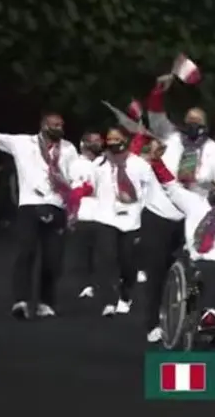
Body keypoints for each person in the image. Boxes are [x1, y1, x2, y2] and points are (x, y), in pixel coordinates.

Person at [0, 108, 79, 319]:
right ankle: (21, 301)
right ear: (44, 125)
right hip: (29, 205)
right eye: (55, 125)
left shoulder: (69, 148)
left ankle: (45, 303)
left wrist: (72, 199)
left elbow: (76, 178)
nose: (59, 128)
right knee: (26, 253)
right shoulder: (22, 143)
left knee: (52, 259)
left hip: (57, 206)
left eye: (61, 125)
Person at [148, 150, 215, 329]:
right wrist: (157, 163)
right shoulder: (196, 203)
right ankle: (209, 313)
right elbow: (171, 187)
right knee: (213, 270)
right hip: (203, 258)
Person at [71, 127, 155, 316]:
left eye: (117, 139)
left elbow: (150, 189)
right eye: (109, 139)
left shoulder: (139, 164)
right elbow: (90, 185)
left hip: (131, 219)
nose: (112, 142)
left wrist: (142, 205)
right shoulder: (100, 163)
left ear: (126, 140)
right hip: (106, 218)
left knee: (128, 263)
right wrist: (79, 192)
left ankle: (125, 294)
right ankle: (109, 300)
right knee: (107, 259)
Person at [135, 135, 187, 342]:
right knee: (156, 272)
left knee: (197, 271)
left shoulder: (211, 149)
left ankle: (194, 320)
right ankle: (153, 323)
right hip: (157, 216)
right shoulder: (169, 139)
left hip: (190, 216)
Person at [70, 130, 104, 299]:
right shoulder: (77, 164)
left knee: (104, 253)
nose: (98, 143)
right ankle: (87, 285)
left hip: (103, 214)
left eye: (99, 140)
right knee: (85, 253)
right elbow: (75, 190)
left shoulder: (104, 162)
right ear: (84, 144)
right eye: (94, 140)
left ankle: (104, 284)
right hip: (84, 214)